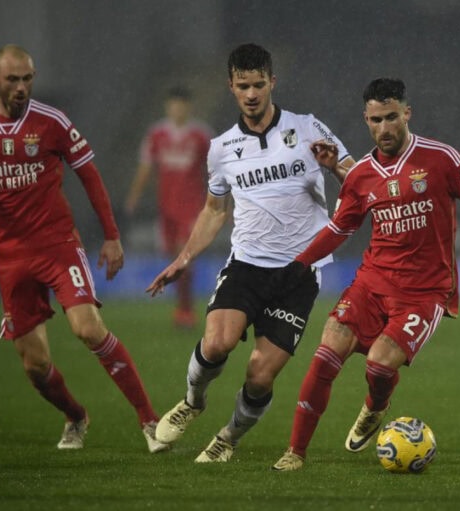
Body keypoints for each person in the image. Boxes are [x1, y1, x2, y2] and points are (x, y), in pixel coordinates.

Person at [271, 78, 460, 471]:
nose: (385, 128)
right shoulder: (361, 174)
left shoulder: (440, 157)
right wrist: (299, 263)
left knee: (379, 366)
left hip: (426, 291)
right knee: (326, 354)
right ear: (366, 119)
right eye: (376, 120)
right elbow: (339, 228)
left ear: (407, 113)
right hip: (372, 283)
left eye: (392, 117)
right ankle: (295, 452)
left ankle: (376, 405)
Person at [146, 43, 356, 463]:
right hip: (246, 264)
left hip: (298, 274)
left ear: (272, 82)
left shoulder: (308, 127)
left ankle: (229, 436)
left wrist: (335, 166)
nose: (252, 93)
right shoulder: (221, 149)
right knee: (217, 342)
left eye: (259, 84)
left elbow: (358, 177)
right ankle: (192, 401)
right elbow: (213, 210)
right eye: (243, 86)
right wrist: (182, 259)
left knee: (260, 373)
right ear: (232, 87)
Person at [0, 44, 168, 453]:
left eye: (28, 79)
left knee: (87, 328)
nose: (21, 87)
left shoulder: (51, 122)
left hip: (58, 246)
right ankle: (75, 416)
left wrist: (111, 235)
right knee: (35, 367)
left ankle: (149, 420)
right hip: (11, 258)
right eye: (13, 80)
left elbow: (88, 174)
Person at [124, 86, 214, 329]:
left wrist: (220, 202)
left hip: (192, 207)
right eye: (174, 104)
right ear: (168, 106)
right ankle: (183, 307)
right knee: (173, 258)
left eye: (182, 104)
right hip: (166, 208)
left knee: (185, 257)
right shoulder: (156, 134)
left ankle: (186, 310)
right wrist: (134, 196)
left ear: (188, 107)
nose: (178, 109)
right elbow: (146, 167)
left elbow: (216, 170)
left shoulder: (201, 135)